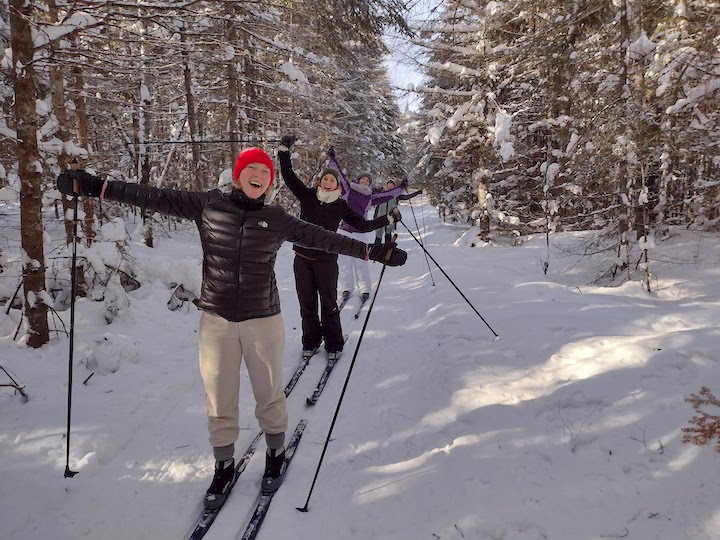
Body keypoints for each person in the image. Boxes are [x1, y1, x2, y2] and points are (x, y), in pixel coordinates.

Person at [56, 147, 406, 510]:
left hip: (263, 320)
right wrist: (95, 187)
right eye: (251, 169)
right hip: (217, 322)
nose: (258, 175)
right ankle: (223, 466)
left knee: (268, 392)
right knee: (219, 398)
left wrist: (374, 253)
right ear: (238, 175)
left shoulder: (277, 217)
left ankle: (275, 453)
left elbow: (324, 238)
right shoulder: (207, 205)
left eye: (265, 172)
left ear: (270, 183)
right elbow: (152, 196)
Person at [277, 136, 400, 360]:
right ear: (320, 182)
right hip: (302, 258)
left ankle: (334, 344)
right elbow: (289, 177)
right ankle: (310, 342)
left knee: (329, 304)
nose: (327, 182)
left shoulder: (340, 205)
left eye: (332, 181)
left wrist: (388, 220)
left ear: (337, 186)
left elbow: (363, 224)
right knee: (307, 305)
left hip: (326, 260)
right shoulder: (308, 197)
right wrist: (284, 151)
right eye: (325, 179)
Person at [331, 155, 409, 304]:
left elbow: (389, 194)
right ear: (358, 180)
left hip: (361, 233)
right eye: (363, 179)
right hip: (344, 231)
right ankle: (346, 288)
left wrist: (401, 188)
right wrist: (333, 160)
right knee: (344, 262)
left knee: (361, 262)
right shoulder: (348, 190)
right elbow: (339, 177)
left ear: (369, 184)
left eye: (367, 180)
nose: (365, 181)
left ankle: (365, 289)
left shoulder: (371, 197)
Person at [373, 180, 422, 245]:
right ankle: (376, 251)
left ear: (394, 187)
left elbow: (406, 197)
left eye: (391, 186)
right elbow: (373, 193)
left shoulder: (396, 196)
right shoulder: (381, 194)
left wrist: (417, 192)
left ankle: (386, 251)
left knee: (388, 235)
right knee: (378, 236)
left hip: (390, 218)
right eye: (389, 185)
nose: (390, 187)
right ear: (386, 186)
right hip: (380, 217)